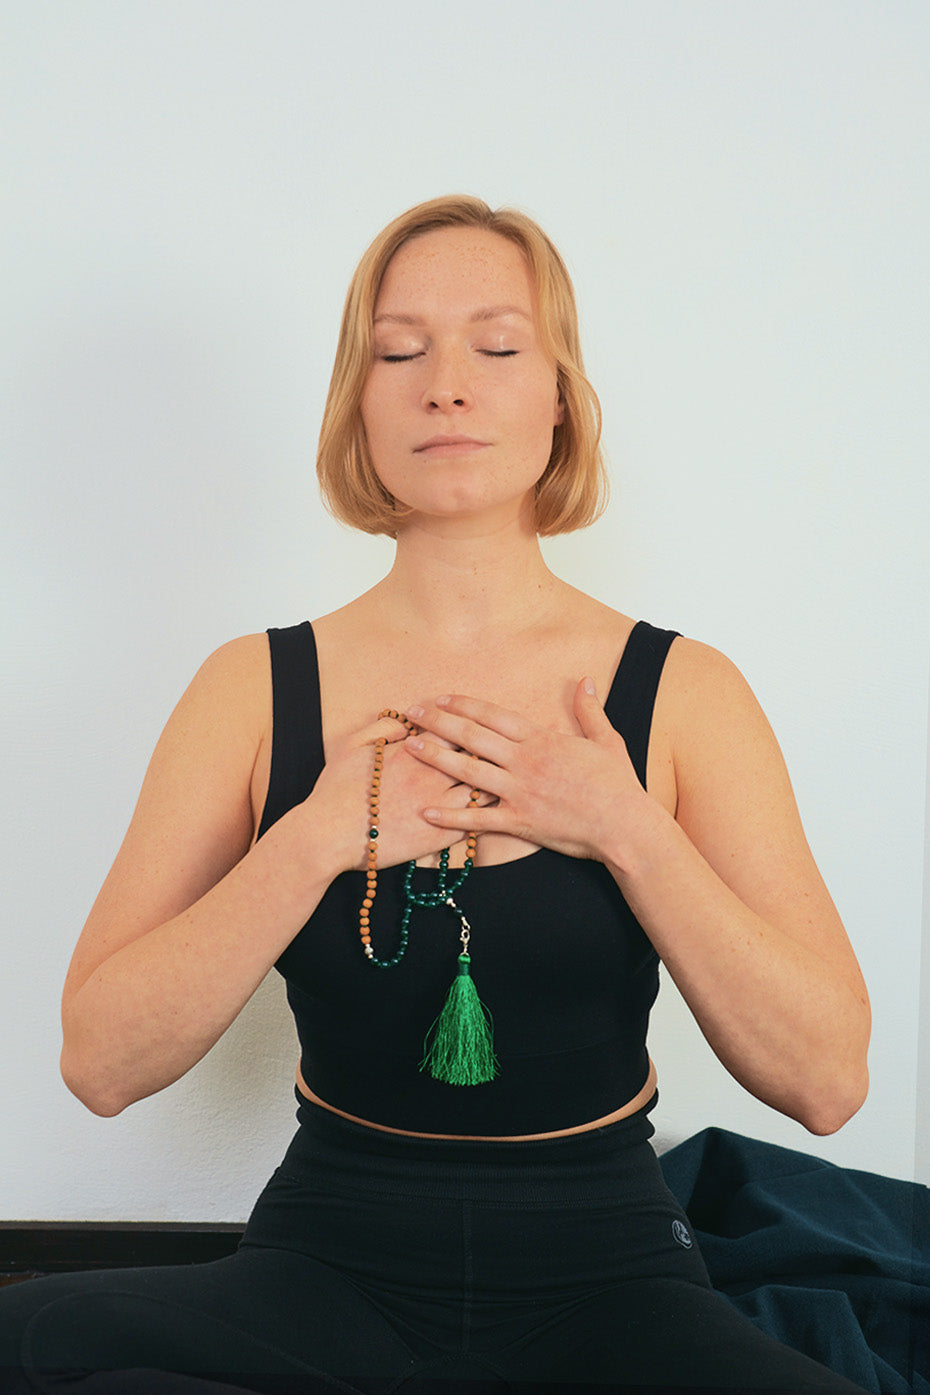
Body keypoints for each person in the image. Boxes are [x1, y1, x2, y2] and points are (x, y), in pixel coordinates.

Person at [0, 195, 873, 1393]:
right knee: (33, 1347)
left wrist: (621, 827)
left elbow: (826, 1083)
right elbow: (100, 1064)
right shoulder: (253, 687)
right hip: (327, 1260)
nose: (445, 385)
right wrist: (310, 840)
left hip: (609, 1265)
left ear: (560, 396)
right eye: (399, 351)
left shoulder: (685, 692)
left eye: (498, 347)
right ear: (359, 402)